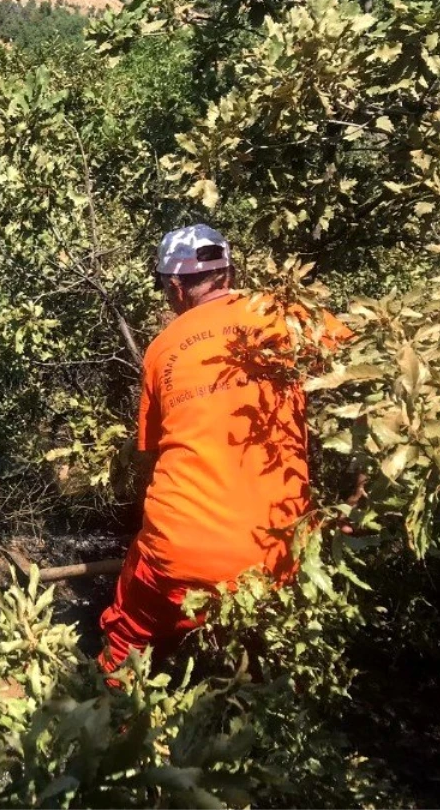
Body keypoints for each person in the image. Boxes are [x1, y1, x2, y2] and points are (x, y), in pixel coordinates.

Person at [97, 224, 343, 673]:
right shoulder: (286, 315)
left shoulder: (162, 350)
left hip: (180, 552)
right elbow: (370, 366)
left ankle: (108, 718)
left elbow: (151, 450)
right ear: (228, 272)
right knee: (267, 664)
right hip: (281, 553)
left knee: (128, 635)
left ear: (175, 286)